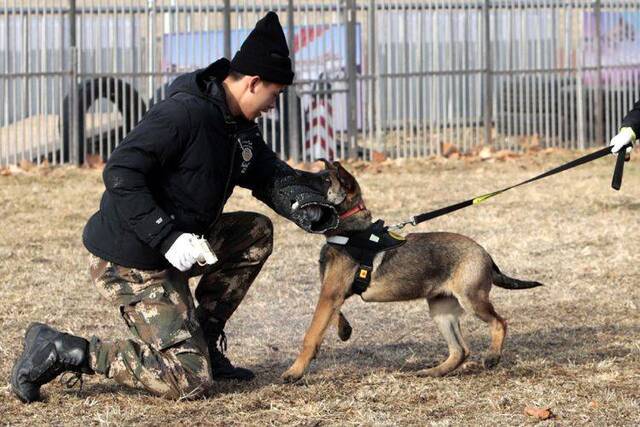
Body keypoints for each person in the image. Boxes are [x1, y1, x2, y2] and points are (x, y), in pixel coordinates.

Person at [11, 11, 337, 402]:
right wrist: (167, 236)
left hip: (180, 246)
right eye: (275, 94)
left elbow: (266, 172)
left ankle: (205, 340)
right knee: (187, 380)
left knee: (255, 233)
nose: (274, 105)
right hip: (132, 260)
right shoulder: (184, 114)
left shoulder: (237, 126)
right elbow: (120, 171)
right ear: (253, 82)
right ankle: (65, 349)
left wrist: (309, 202)